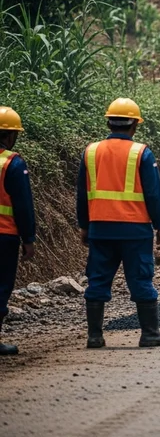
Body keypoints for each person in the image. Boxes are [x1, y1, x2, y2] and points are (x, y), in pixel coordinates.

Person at [77, 98, 160, 349]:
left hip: (100, 228)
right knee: (141, 278)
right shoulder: (141, 153)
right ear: (135, 125)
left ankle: (95, 336)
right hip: (134, 229)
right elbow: (153, 193)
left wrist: (84, 225)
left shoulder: (91, 151)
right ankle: (150, 333)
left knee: (98, 279)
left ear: (109, 122)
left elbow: (81, 192)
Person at [0, 107, 36, 356]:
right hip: (4, 235)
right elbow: (22, 205)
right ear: (10, 136)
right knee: (1, 285)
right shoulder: (12, 163)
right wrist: (29, 238)